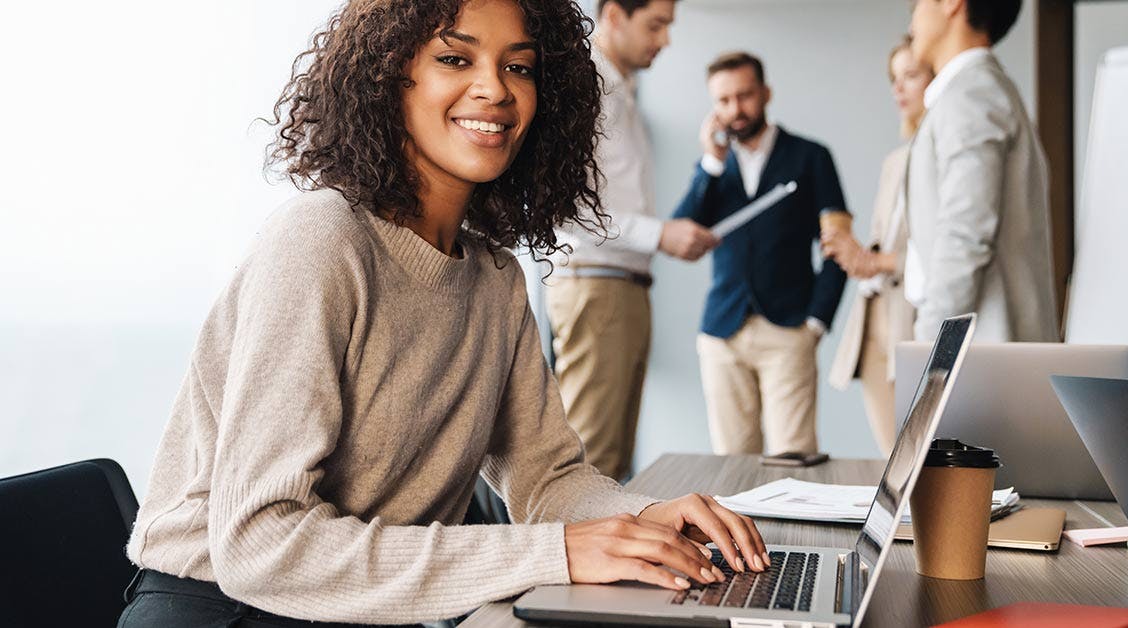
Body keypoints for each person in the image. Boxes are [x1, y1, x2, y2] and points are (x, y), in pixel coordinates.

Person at [117, 1, 770, 626]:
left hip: (375, 608)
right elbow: (260, 542)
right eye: (455, 60)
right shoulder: (320, 241)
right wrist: (557, 553)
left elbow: (548, 478)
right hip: (224, 607)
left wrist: (648, 517)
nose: (495, 89)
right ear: (388, 76)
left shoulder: (495, 279)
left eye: (519, 66)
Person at [547, 0, 716, 482]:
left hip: (621, 285)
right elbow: (564, 207)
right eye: (656, 25)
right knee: (590, 463)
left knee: (612, 464)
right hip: (598, 285)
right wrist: (660, 234)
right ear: (615, 16)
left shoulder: (621, 90)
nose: (664, 40)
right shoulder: (587, 88)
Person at [673, 51, 848, 457]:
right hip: (722, 331)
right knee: (732, 463)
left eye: (745, 95)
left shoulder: (810, 156)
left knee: (793, 458)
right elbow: (680, 234)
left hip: (788, 329)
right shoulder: (714, 168)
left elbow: (839, 245)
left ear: (766, 93)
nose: (736, 109)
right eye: (723, 100)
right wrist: (711, 164)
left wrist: (817, 322)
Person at [903, 0, 1058, 342]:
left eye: (916, 3)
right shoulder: (975, 90)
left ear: (952, 4)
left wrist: (928, 347)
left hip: (983, 355)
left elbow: (965, 235)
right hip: (986, 353)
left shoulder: (972, 94)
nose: (911, 15)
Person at [825, 37, 932, 455]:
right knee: (893, 459)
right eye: (894, 79)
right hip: (872, 324)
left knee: (923, 459)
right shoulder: (895, 161)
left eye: (911, 75)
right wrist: (854, 254)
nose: (898, 89)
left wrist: (875, 260)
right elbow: (884, 244)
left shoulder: (945, 157)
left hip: (914, 320)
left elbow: (946, 253)